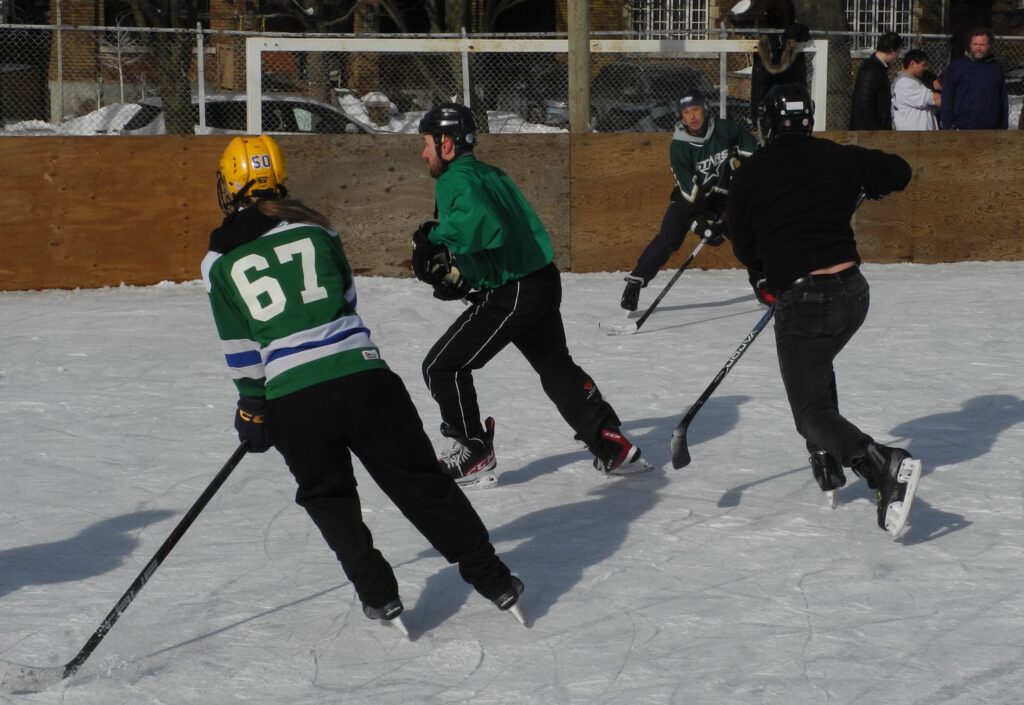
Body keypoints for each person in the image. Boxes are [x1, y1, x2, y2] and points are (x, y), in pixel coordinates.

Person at [201, 135, 525, 633]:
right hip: (366, 378)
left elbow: (239, 345)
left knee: (328, 499)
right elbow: (347, 301)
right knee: (421, 484)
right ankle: (495, 579)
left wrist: (252, 407)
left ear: (231, 185)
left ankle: (380, 596)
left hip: (295, 398)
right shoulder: (318, 229)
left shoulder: (217, 261)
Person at [412, 103, 649, 487]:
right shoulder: (490, 173)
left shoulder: (454, 180)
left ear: (447, 144)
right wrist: (467, 276)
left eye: (426, 143)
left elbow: (483, 225)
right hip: (540, 281)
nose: (423, 153)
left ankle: (473, 452)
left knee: (442, 366)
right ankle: (610, 442)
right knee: (556, 367)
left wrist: (432, 239)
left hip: (514, 292)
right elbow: (504, 231)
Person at [726, 84, 922, 537]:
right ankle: (827, 456)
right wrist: (866, 184)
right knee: (816, 367)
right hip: (853, 295)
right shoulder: (839, 157)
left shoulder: (751, 173)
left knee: (809, 409)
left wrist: (761, 277)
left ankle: (879, 464)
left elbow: (743, 241)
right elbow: (900, 171)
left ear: (767, 124)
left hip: (805, 299)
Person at [619, 90, 759, 312]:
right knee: (668, 239)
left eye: (695, 110)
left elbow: (757, 157)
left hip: (725, 199)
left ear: (705, 109)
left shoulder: (725, 130)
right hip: (691, 201)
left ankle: (763, 282)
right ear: (681, 117)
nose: (692, 116)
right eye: (686, 112)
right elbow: (688, 190)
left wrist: (744, 180)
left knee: (746, 237)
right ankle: (636, 282)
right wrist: (700, 223)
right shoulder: (679, 145)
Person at [940, 28, 1008, 130]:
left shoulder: (996, 68)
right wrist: (948, 124)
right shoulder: (957, 67)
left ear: (989, 46)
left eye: (982, 45)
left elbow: (1002, 98)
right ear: (969, 45)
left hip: (991, 130)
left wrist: (1003, 125)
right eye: (975, 44)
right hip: (962, 129)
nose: (978, 48)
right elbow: (947, 97)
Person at [850, 31, 903, 130]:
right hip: (868, 134)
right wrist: (876, 131)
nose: (897, 57)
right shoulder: (870, 70)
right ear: (890, 51)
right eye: (898, 52)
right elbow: (864, 104)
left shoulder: (878, 68)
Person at [892, 49, 941, 131]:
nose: (926, 68)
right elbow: (935, 99)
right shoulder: (905, 82)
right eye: (923, 65)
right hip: (913, 137)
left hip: (920, 136)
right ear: (912, 64)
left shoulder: (915, 80)